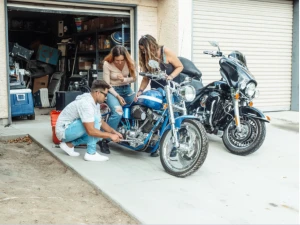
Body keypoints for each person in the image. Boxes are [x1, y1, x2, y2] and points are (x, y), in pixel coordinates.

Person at [55, 80, 123, 162]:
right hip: (63, 131)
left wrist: (113, 132)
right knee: (95, 124)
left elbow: (101, 122)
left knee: (98, 134)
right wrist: (110, 136)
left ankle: (68, 145)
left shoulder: (95, 103)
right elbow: (91, 130)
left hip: (70, 128)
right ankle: (91, 153)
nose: (106, 98)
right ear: (98, 93)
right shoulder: (86, 104)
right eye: (105, 95)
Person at [97, 45, 136, 154]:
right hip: (112, 91)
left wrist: (125, 79)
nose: (119, 62)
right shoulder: (107, 64)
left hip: (127, 89)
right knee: (118, 112)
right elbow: (106, 84)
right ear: (112, 58)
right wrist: (118, 96)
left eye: (122, 60)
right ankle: (104, 140)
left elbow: (134, 78)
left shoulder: (130, 61)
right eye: (117, 60)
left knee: (140, 105)